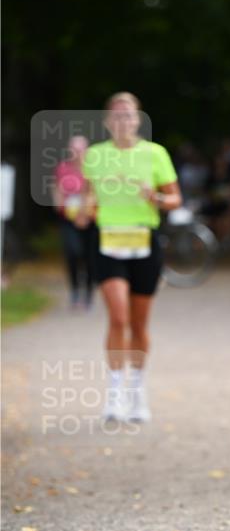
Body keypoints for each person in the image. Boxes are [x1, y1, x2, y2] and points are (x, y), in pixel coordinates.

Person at [82, 92, 182, 423]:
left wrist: (156, 198)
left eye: (129, 115)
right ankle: (114, 393)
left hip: (144, 240)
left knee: (139, 323)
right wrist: (83, 210)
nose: (123, 120)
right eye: (117, 115)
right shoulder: (95, 155)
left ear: (138, 120)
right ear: (107, 121)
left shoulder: (155, 153)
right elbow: (87, 202)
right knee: (118, 317)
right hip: (108, 240)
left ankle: (137, 390)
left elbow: (175, 200)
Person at [54, 135, 96, 308]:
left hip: (90, 219)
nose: (76, 153)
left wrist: (85, 214)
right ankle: (75, 290)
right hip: (69, 218)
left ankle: (89, 293)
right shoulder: (63, 168)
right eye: (73, 149)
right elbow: (57, 189)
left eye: (80, 149)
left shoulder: (93, 169)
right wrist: (60, 206)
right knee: (72, 253)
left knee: (90, 257)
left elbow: (96, 193)